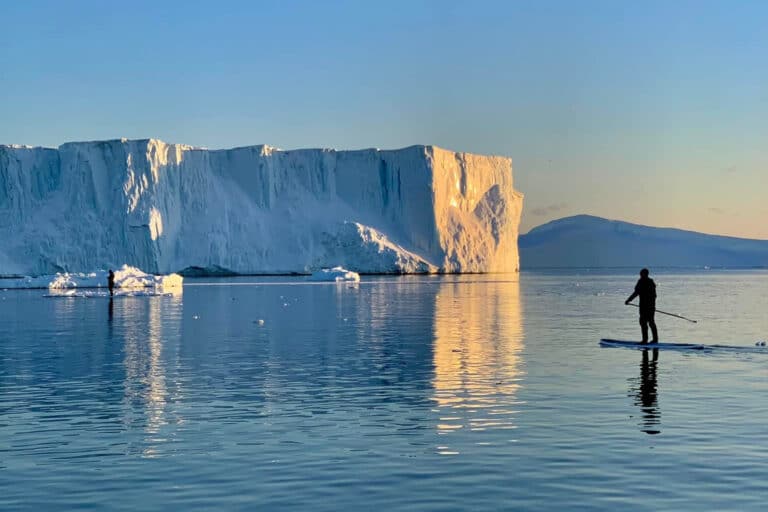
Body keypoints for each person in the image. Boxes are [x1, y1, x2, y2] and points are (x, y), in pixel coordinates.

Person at [625, 268, 658, 344]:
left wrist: (628, 300)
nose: (640, 275)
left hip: (646, 307)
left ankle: (646, 340)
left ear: (645, 274)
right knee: (649, 322)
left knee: (645, 322)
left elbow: (636, 293)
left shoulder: (643, 282)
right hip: (649, 307)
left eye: (641, 274)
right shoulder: (650, 282)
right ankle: (653, 339)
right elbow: (654, 296)